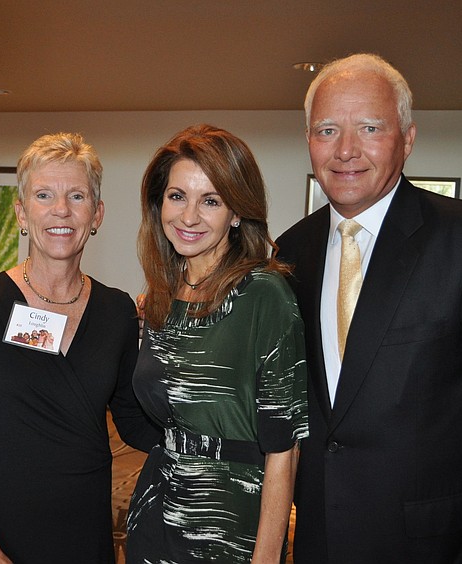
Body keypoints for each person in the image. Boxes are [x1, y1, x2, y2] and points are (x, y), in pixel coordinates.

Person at [275, 53, 462, 563]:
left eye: (369, 127)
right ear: (308, 142)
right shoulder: (290, 252)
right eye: (326, 130)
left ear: (407, 138)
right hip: (320, 541)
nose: (345, 150)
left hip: (437, 548)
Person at [0, 132, 161, 563]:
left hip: (85, 535)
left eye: (77, 196)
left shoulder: (116, 310)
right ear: (21, 213)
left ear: (98, 213)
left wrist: (209, 432)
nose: (61, 211)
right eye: (44, 195)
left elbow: (132, 420)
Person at [127, 124, 309, 563]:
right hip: (155, 513)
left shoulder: (264, 294)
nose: (188, 217)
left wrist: (266, 558)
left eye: (210, 200)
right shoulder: (160, 296)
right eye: (177, 196)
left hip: (230, 526)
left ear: (237, 213)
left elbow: (284, 450)